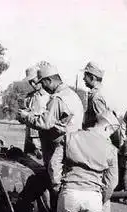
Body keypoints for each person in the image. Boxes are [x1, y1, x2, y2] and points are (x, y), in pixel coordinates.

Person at [17, 64, 84, 197]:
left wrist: (25, 117)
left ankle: (59, 205)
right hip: (74, 142)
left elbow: (45, 123)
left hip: (61, 144)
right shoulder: (72, 95)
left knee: (55, 177)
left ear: (49, 80)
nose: (42, 86)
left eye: (43, 83)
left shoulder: (57, 98)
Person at [22, 66, 50, 158]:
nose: (33, 84)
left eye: (34, 81)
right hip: (29, 137)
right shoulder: (29, 97)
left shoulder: (50, 96)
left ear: (40, 79)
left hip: (43, 138)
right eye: (30, 82)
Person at [82, 61, 109, 129]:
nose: (83, 78)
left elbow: (103, 124)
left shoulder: (96, 96)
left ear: (92, 78)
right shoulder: (102, 92)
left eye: (85, 76)